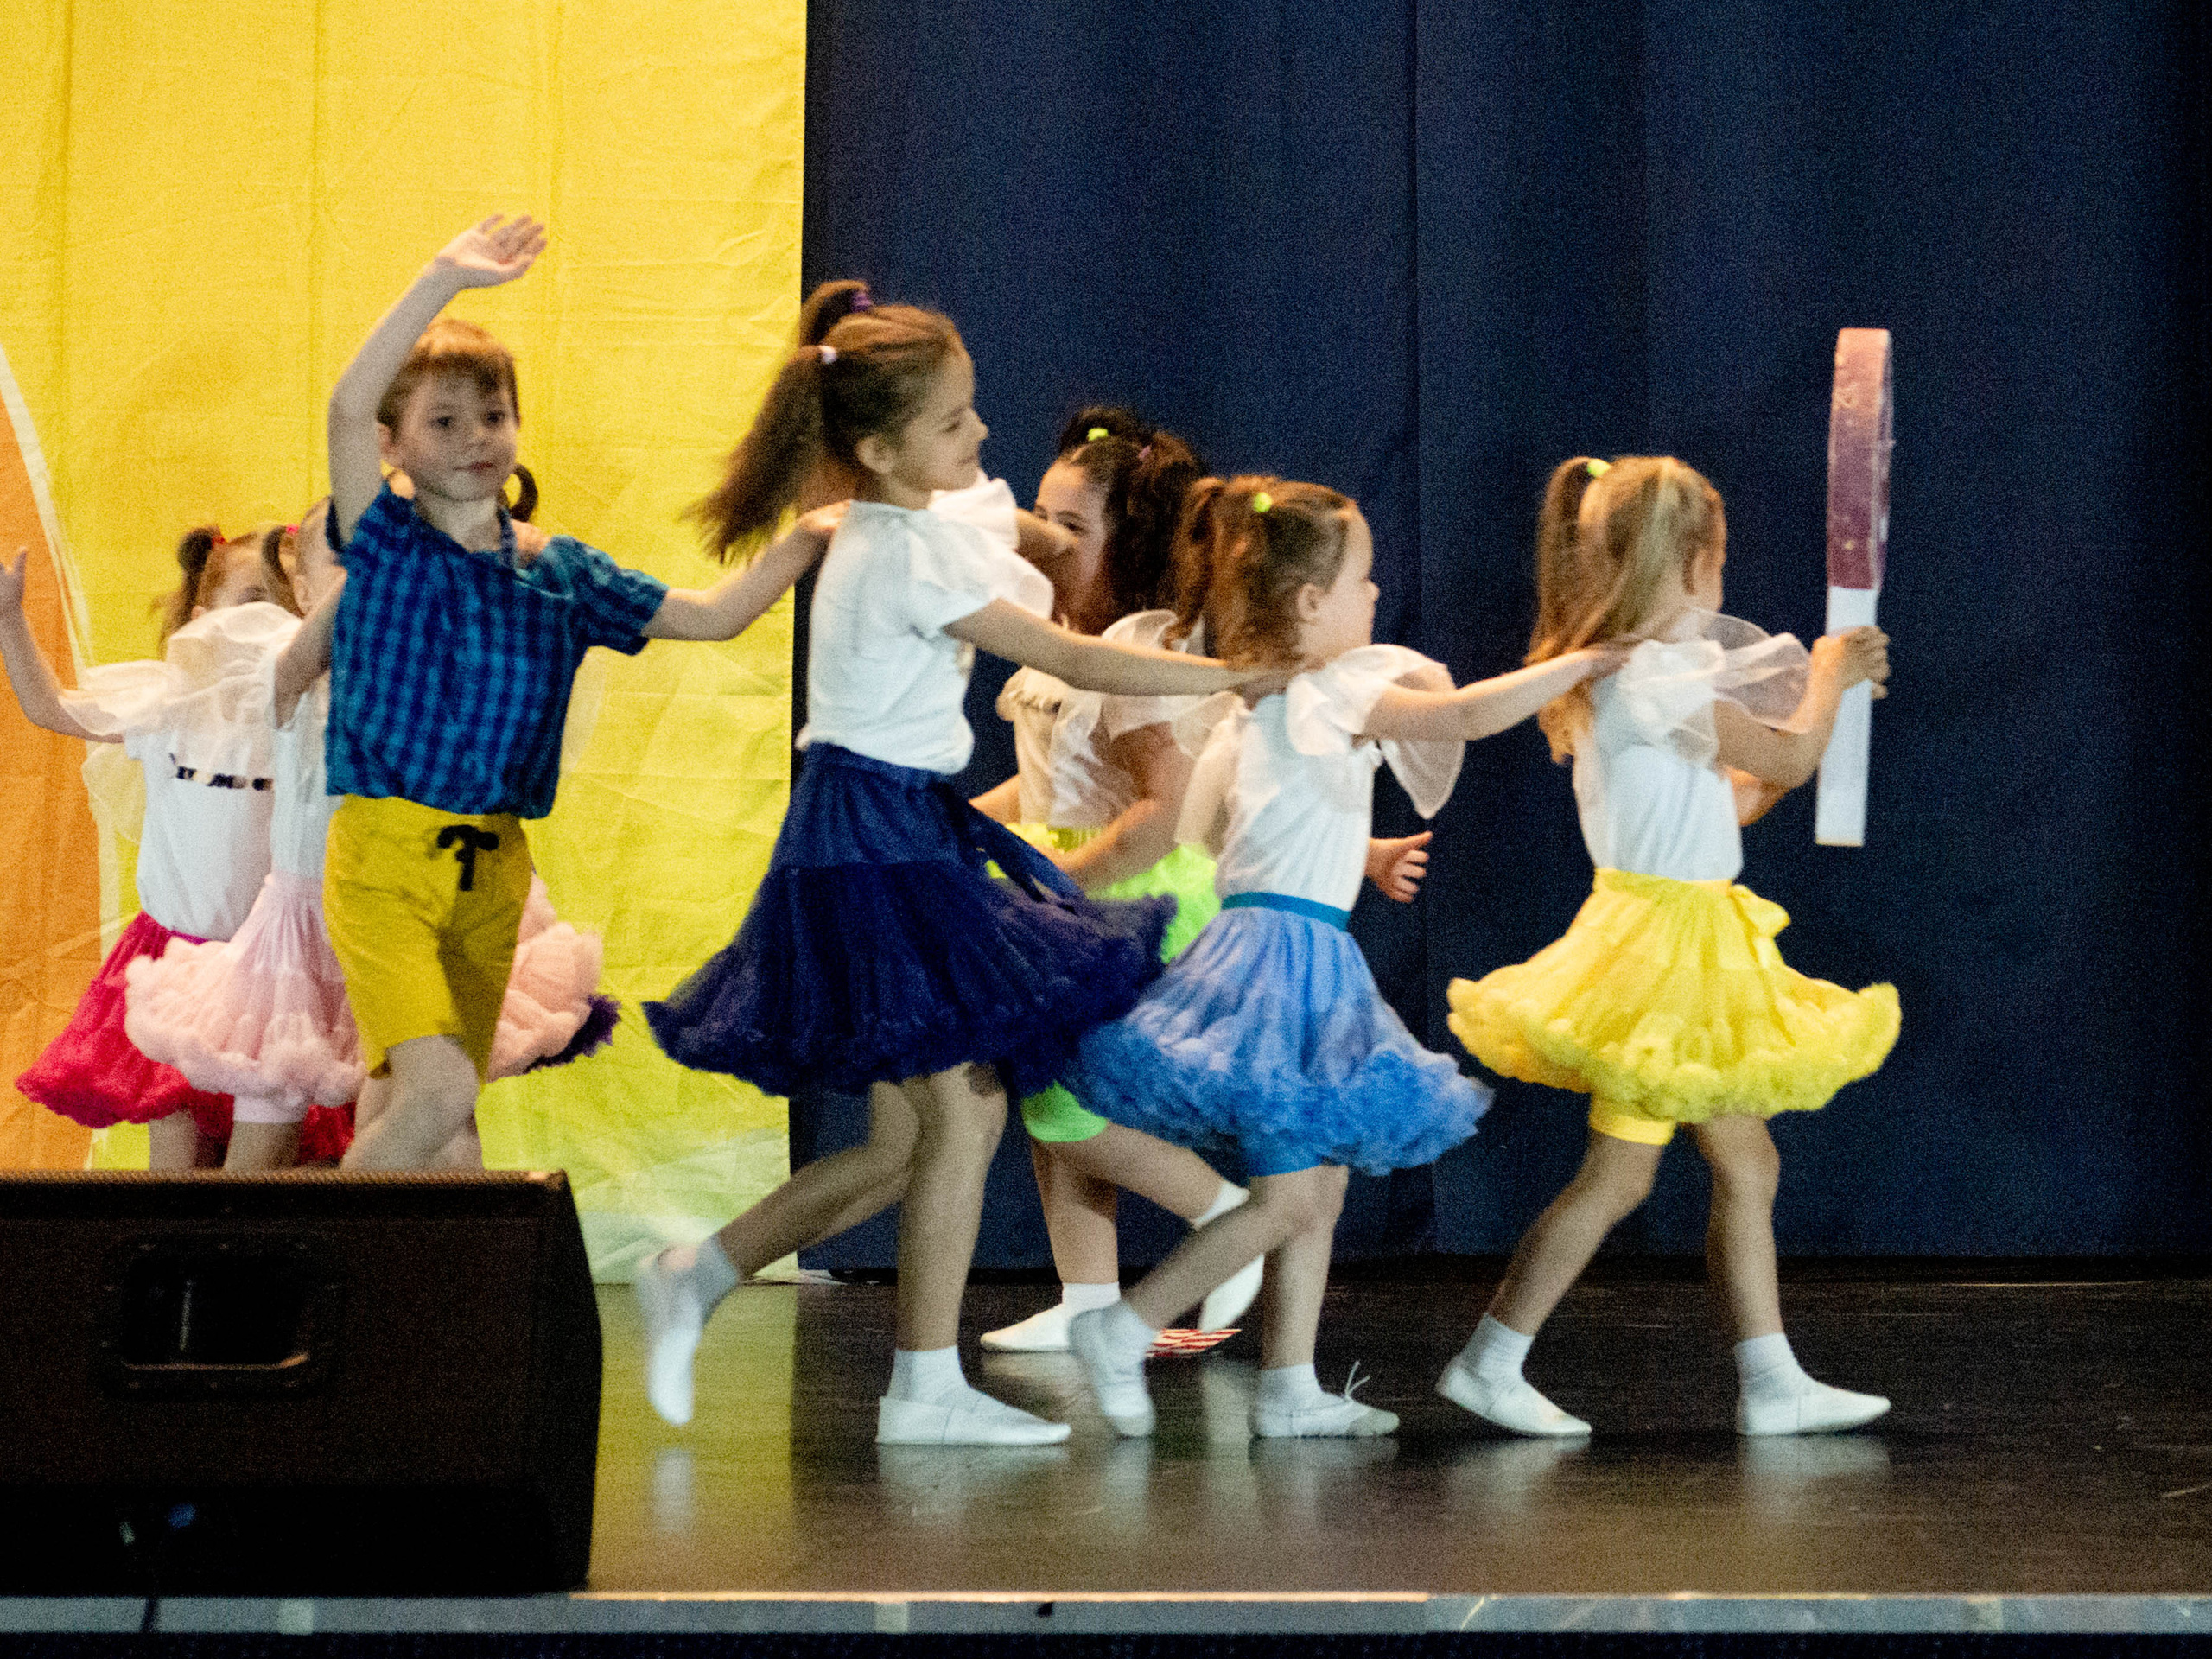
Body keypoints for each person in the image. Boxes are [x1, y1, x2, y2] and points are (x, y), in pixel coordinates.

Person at [638, 295, 1278, 1446]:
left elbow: (990, 534)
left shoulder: (876, 527)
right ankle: (921, 1387)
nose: (981, 437)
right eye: (954, 423)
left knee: (901, 1142)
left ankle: (701, 1272)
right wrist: (1236, 675)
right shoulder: (899, 553)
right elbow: (1069, 649)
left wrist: (1029, 538)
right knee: (970, 1109)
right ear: (881, 450)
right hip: (876, 842)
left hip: (881, 829)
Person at [1058, 476, 1610, 1439]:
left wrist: (1361, 853)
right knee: (1285, 1198)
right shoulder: (1339, 685)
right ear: (1311, 603)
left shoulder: (1259, 706)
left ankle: (1288, 1386)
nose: (1375, 596)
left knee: (1319, 1184)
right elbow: (1469, 718)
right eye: (1362, 580)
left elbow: (1235, 834)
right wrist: (1580, 661)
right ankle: (1124, 1326)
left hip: (1272, 943)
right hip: (1286, 964)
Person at [309, 214, 836, 1171]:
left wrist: (804, 541)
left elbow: (710, 614)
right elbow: (346, 406)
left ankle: (392, 1297)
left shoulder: (559, 573)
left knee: (415, 1101)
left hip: (493, 867)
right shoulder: (385, 543)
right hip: (382, 860)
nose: (476, 439)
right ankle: (319, 1284)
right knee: (438, 1091)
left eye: (494, 417)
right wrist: (440, 280)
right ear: (393, 444)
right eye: (444, 421)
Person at [1441, 454, 1898, 1438]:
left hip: (1679, 934)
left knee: (1714, 1168)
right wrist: (1825, 685)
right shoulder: (1649, 679)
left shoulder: (1651, 679)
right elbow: (1780, 751)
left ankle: (1762, 1381)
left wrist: (1818, 722)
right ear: (1696, 561)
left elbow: (1735, 798)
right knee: (1642, 1176)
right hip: (1665, 952)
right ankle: (1499, 1359)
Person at [973, 408, 1264, 1351]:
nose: (1043, 537)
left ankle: (1221, 1214)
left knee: (1060, 1101)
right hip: (1069, 877)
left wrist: (1064, 881)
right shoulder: (1057, 642)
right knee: (1048, 1089)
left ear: (1126, 544)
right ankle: (1089, 1302)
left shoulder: (1131, 662)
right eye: (1039, 513)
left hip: (1131, 896)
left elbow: (1162, 808)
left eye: (1072, 528)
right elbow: (1050, 780)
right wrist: (964, 822)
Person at [3, 524, 298, 1167]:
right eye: (250, 599)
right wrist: (8, 619)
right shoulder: (167, 702)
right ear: (201, 617)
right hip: (176, 961)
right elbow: (49, 706)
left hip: (275, 967)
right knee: (176, 1167)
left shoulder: (307, 709)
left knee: (264, 1174)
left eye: (284, 603)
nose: (265, 622)